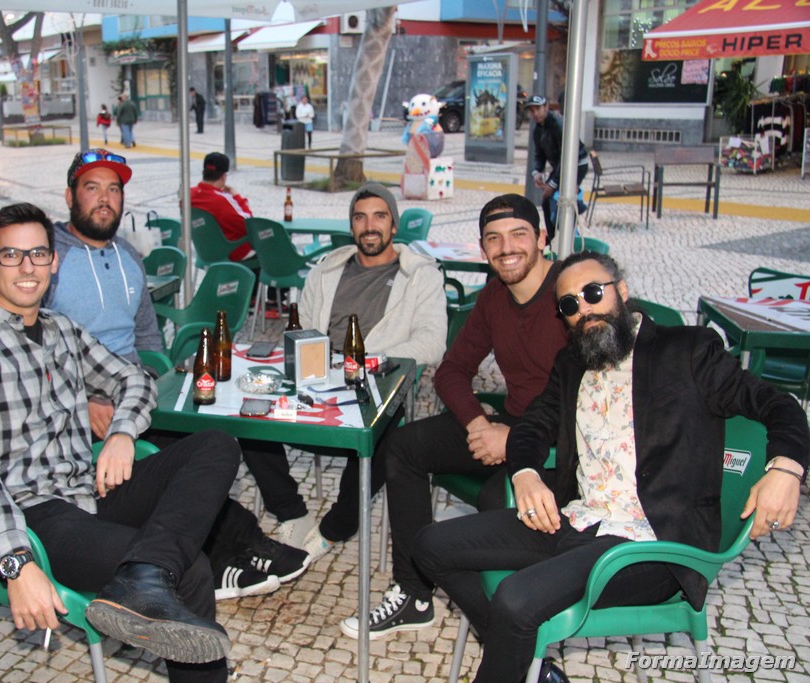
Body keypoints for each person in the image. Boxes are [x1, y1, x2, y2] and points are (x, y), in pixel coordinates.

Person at [413, 251, 810, 683]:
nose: (583, 309)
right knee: (431, 545)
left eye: (592, 293)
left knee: (515, 599)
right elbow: (532, 428)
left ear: (621, 290)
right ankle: (518, 652)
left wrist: (786, 469)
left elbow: (778, 404)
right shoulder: (572, 363)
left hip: (652, 545)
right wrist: (525, 474)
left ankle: (511, 648)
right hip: (579, 521)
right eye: (569, 304)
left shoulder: (687, 350)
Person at [0, 201, 239, 681]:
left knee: (216, 444)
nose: (27, 268)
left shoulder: (61, 330)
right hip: (25, 515)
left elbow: (134, 379)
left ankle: (144, 577)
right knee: (191, 568)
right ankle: (150, 580)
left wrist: (121, 434)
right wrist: (16, 563)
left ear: (54, 261)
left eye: (38, 254)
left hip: (84, 490)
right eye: (11, 255)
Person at [44, 149, 310, 600]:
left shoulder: (128, 256)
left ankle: (277, 518)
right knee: (179, 467)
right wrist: (82, 400)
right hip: (82, 407)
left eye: (114, 189)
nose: (105, 199)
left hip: (135, 390)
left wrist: (156, 380)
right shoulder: (47, 261)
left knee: (232, 413)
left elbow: (148, 335)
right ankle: (237, 547)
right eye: (92, 188)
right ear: (70, 196)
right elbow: (34, 352)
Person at [337, 193, 569, 641]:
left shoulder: (568, 292)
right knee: (404, 447)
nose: (507, 248)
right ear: (482, 249)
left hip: (563, 444)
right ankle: (414, 594)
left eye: (519, 234)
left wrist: (513, 438)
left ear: (542, 238)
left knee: (494, 501)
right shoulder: (495, 296)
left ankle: (512, 631)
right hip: (509, 425)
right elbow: (451, 370)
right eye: (494, 239)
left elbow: (589, 392)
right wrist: (479, 425)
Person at [244, 182, 447, 563]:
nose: (370, 226)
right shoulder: (327, 269)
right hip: (317, 382)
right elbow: (302, 328)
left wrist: (364, 361)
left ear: (394, 224)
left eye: (379, 216)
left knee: (387, 434)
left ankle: (335, 528)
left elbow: (432, 343)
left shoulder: (421, 275)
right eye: (360, 217)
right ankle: (291, 511)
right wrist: (317, 364)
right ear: (351, 225)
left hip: (375, 385)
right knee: (247, 412)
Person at [524, 95, 589, 244]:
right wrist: (537, 172)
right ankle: (554, 238)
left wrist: (552, 184)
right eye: (532, 110)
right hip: (561, 166)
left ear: (546, 107)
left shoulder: (558, 124)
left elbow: (566, 156)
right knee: (547, 200)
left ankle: (572, 235)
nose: (535, 113)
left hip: (576, 164)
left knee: (558, 199)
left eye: (538, 109)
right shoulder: (538, 130)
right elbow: (539, 154)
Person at [190, 152, 253, 262]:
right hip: (231, 252)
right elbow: (249, 224)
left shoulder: (188, 195)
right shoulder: (221, 200)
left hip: (205, 251)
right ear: (223, 177)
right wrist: (237, 197)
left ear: (203, 172)